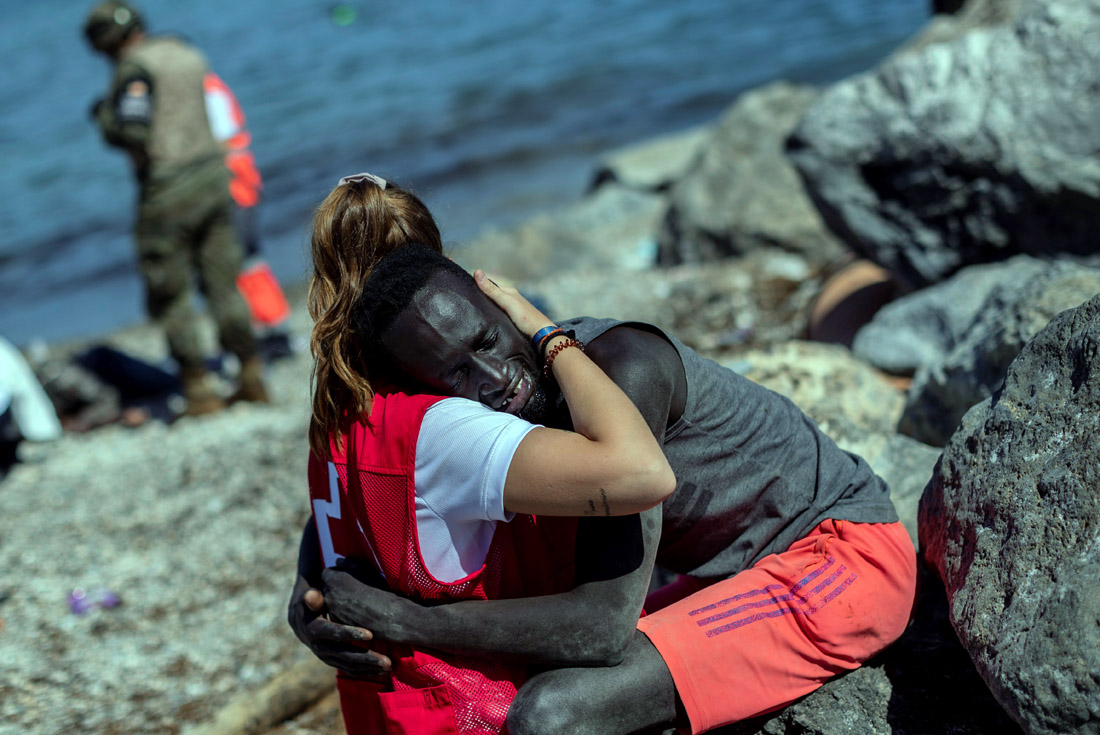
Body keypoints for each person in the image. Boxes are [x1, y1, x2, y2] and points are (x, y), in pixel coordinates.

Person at [289, 184, 918, 733]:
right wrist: (313, 585)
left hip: (836, 556)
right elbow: (361, 477)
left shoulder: (622, 370)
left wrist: (409, 622)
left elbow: (600, 626)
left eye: (488, 339)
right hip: (735, 572)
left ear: (502, 302)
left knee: (553, 712)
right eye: (454, 375)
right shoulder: (487, 409)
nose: (493, 378)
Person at [299, 173, 675, 734]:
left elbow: (335, 520)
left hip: (383, 711)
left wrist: (305, 593)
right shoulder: (445, 428)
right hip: (476, 708)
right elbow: (639, 475)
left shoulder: (339, 411)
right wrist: (550, 336)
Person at [82, 1, 269, 415]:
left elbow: (131, 130)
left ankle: (199, 390)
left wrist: (102, 117)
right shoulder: (186, 53)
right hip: (214, 178)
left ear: (106, 41)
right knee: (224, 282)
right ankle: (252, 372)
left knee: (170, 293)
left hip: (168, 189)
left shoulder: (134, 69)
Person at [202, 71, 294, 359]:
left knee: (243, 260)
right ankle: (269, 330)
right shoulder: (208, 86)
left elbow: (221, 137)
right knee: (247, 260)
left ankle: (273, 331)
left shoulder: (205, 91)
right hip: (237, 180)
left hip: (233, 183)